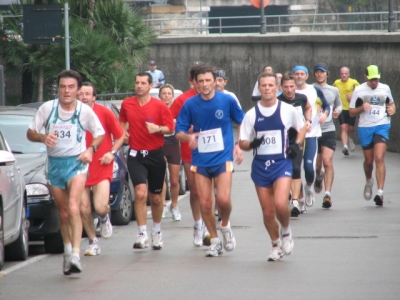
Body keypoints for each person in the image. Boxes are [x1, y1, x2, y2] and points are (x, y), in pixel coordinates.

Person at [27, 70, 105, 275]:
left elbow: (99, 134)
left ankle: (76, 255)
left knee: (73, 206)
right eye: (63, 87)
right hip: (55, 165)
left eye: (71, 87)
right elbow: (30, 133)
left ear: (78, 90)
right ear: (58, 88)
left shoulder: (84, 111)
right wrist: (43, 138)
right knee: (62, 212)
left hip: (77, 164)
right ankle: (68, 251)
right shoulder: (47, 108)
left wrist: (91, 149)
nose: (67, 91)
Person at [175, 65, 244, 257]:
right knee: (205, 203)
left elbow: (243, 122)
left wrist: (238, 144)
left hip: (223, 157)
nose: (205, 84)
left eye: (208, 80)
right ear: (195, 83)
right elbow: (178, 131)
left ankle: (226, 225)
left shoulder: (227, 100)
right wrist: (188, 138)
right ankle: (214, 240)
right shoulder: (190, 104)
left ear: (215, 81)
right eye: (201, 81)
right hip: (201, 159)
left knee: (223, 199)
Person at [239, 73, 306, 261]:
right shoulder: (251, 115)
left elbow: (301, 129)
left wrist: (296, 144)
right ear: (259, 89)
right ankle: (275, 245)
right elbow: (242, 141)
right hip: (260, 167)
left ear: (277, 88)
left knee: (279, 204)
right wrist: (252, 145)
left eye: (270, 85)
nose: (267, 88)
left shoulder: (287, 110)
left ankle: (286, 231)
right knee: (268, 212)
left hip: (281, 163)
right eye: (264, 85)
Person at [119, 72, 174, 250]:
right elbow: (122, 125)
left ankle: (156, 231)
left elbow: (170, 129)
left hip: (156, 155)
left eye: (143, 83)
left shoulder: (159, 106)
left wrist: (157, 128)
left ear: (151, 86)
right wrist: (124, 134)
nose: (139, 86)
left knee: (156, 198)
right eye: (137, 83)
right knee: (141, 193)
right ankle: (142, 234)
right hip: (136, 156)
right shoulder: (127, 104)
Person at [77, 82, 125, 256]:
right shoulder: (71, 115)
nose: (84, 97)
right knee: (83, 208)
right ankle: (93, 241)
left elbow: (120, 136)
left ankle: (104, 218)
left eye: (87, 94)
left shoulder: (104, 112)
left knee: (100, 206)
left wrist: (111, 153)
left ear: (94, 97)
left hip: (102, 164)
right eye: (81, 94)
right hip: (79, 166)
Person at [170, 63, 210, 247]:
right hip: (190, 151)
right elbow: (172, 124)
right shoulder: (183, 100)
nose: (201, 85)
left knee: (209, 192)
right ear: (192, 81)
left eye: (205, 80)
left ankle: (210, 226)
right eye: (197, 81)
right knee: (195, 191)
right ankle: (197, 225)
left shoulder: (215, 96)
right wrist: (187, 130)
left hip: (212, 151)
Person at [349, 65, 396, 206]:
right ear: (365, 77)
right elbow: (351, 112)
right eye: (371, 80)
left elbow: (392, 104)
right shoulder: (359, 90)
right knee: (369, 161)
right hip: (365, 127)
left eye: (376, 79)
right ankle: (369, 180)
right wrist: (362, 107)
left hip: (382, 125)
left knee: (379, 157)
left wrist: (392, 109)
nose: (374, 82)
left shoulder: (385, 88)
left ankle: (380, 192)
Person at [292, 65, 330, 208]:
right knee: (295, 169)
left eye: (302, 74)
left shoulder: (314, 90)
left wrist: (325, 114)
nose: (299, 76)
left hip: (311, 134)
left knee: (309, 167)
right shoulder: (289, 91)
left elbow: (326, 106)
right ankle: (298, 199)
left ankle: (308, 188)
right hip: (293, 137)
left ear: (307, 76)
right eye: (297, 74)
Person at [278, 72, 312, 216]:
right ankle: (289, 196)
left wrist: (308, 120)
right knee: (284, 171)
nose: (290, 90)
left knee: (296, 168)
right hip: (281, 140)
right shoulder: (277, 101)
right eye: (286, 87)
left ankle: (296, 202)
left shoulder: (302, 98)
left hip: (297, 138)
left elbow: (308, 108)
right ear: (281, 87)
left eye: (292, 86)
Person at [312, 63, 342, 208]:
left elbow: (339, 105)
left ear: (327, 74)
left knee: (327, 161)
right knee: (317, 165)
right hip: (314, 131)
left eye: (322, 72)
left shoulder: (334, 90)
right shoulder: (310, 89)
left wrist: (337, 111)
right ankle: (318, 176)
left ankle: (327, 194)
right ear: (314, 75)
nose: (319, 74)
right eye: (317, 72)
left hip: (329, 129)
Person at [158, 84, 182, 221]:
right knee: (160, 178)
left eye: (169, 94)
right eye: (164, 93)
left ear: (172, 96)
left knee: (174, 180)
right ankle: (162, 205)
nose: (166, 96)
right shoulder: (156, 108)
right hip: (159, 145)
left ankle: (174, 205)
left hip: (173, 144)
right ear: (160, 95)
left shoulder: (177, 109)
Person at [333, 67, 360, 156]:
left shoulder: (354, 82)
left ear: (349, 74)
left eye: (345, 73)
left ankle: (351, 140)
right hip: (341, 108)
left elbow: (361, 95)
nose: (344, 75)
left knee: (351, 128)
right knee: (343, 128)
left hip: (351, 109)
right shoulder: (336, 83)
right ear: (340, 74)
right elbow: (332, 93)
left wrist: (353, 98)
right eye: (342, 74)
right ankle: (345, 147)